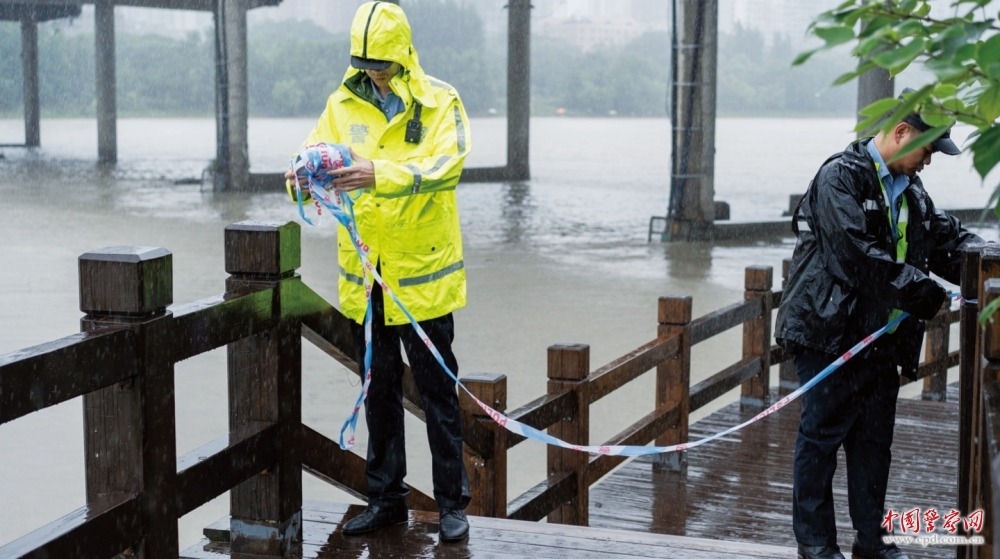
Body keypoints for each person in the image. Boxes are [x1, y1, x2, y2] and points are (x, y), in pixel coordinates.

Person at [284, 1, 472, 543]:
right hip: (368, 282)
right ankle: (385, 499)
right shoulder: (341, 104)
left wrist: (377, 173)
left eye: (382, 64)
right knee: (379, 392)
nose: (374, 73)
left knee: (438, 393)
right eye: (366, 64)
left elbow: (448, 164)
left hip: (424, 282)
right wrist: (299, 175)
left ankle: (451, 506)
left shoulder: (440, 102)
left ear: (404, 56)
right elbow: (311, 154)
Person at [775, 90, 983, 559]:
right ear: (901, 131)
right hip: (829, 335)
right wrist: (924, 291)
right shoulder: (838, 179)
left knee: (874, 444)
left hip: (880, 340)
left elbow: (948, 241)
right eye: (927, 150)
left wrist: (987, 261)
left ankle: (872, 542)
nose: (929, 161)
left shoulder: (911, 192)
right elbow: (857, 256)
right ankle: (816, 545)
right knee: (821, 438)